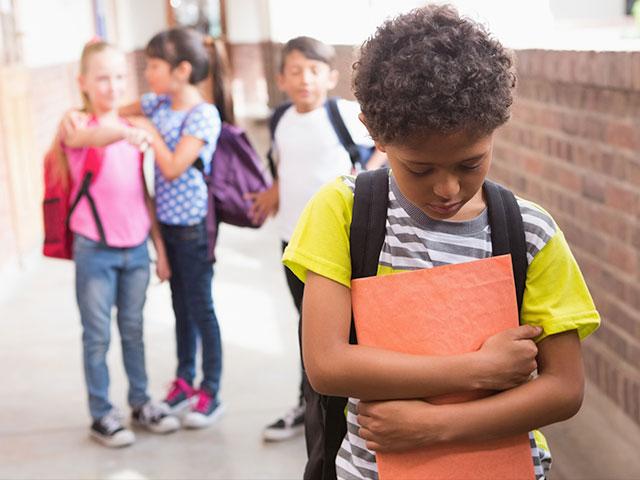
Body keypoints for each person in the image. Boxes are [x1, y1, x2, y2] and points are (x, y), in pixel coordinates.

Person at [282, 5, 600, 480]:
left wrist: (437, 425)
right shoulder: (344, 212)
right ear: (374, 131)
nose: (447, 189)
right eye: (421, 169)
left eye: (470, 164)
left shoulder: (530, 232)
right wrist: (477, 370)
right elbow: (326, 364)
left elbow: (564, 387)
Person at [246, 36, 386, 443]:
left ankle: (348, 408)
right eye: (295, 71)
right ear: (281, 79)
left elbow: (382, 148)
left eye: (314, 70)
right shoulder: (280, 120)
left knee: (346, 332)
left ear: (331, 77)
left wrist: (366, 176)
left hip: (339, 246)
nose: (305, 79)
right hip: (293, 242)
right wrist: (273, 192)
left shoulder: (342, 114)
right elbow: (283, 164)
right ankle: (311, 410)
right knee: (308, 330)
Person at [58, 40, 180, 448]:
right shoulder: (76, 124)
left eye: (119, 77)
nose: (112, 86)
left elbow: (141, 194)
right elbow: (96, 137)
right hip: (94, 248)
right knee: (97, 335)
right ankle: (101, 414)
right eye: (102, 78)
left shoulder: (134, 131)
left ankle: (141, 402)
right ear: (84, 83)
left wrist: (158, 250)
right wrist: (130, 131)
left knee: (133, 329)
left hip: (135, 250)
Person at [121, 28, 229, 429]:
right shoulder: (157, 102)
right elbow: (118, 112)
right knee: (179, 307)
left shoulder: (202, 114)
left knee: (202, 309)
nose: (147, 73)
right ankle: (185, 380)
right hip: (166, 225)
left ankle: (211, 390)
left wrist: (148, 132)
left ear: (182, 70)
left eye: (154, 65)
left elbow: (172, 166)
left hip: (193, 228)